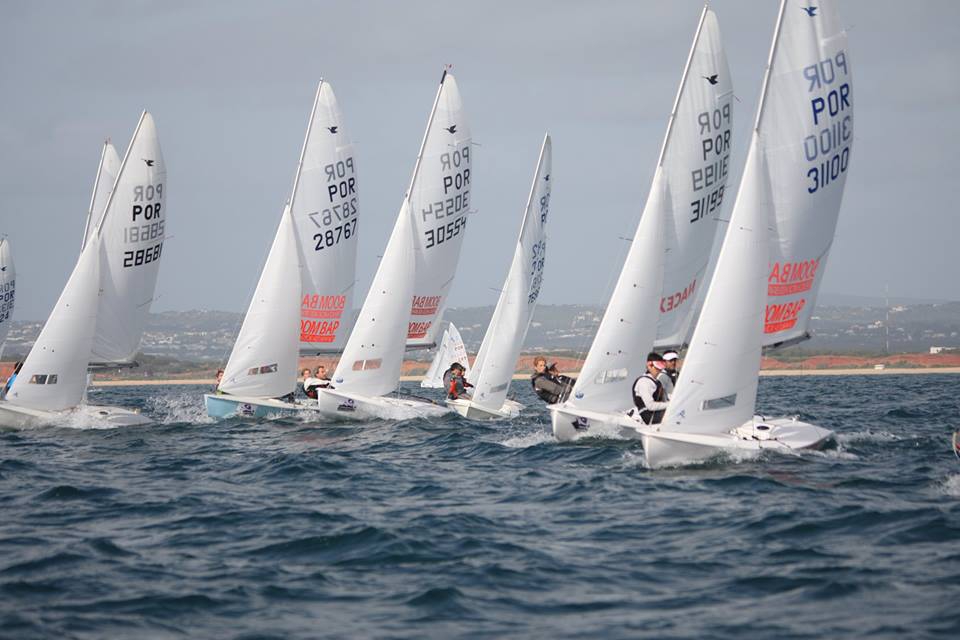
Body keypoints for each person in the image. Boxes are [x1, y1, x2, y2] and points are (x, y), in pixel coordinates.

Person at [628, 352, 670, 425]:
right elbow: (650, 406)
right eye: (657, 368)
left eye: (660, 368)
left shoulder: (657, 382)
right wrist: (670, 405)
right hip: (646, 416)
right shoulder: (644, 382)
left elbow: (665, 400)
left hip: (656, 414)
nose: (659, 371)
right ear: (649, 366)